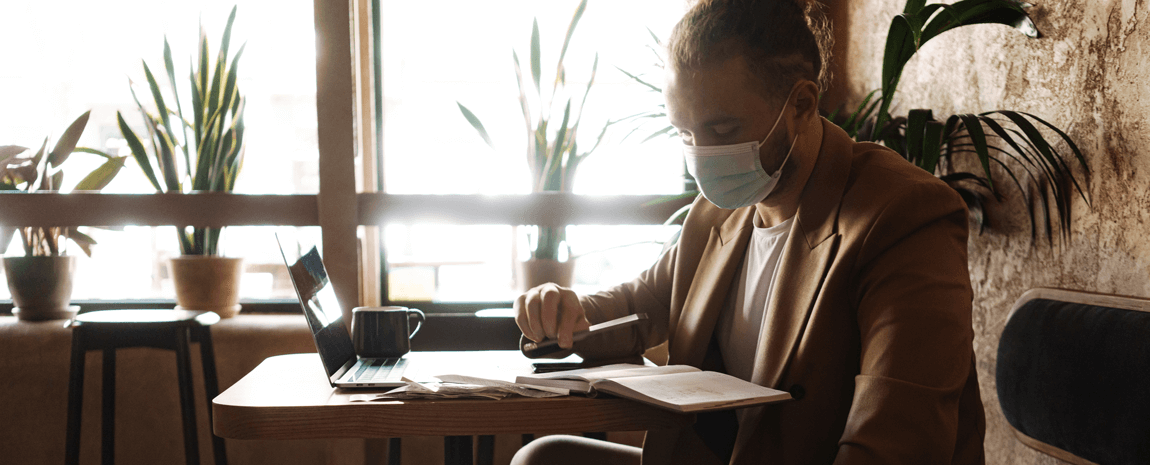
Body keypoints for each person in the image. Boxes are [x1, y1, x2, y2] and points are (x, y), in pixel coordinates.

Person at [511, 0, 986, 463]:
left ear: (802, 103)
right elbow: (640, 306)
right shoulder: (717, 215)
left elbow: (898, 441)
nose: (701, 155)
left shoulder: (902, 215)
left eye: (721, 130)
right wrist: (562, 311)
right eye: (684, 133)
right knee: (545, 455)